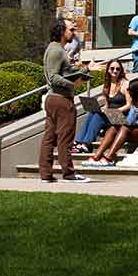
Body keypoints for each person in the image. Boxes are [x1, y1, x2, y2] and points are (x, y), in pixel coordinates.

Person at [39, 18, 91, 183]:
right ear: (61, 31)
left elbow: (65, 72)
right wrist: (73, 85)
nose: (73, 33)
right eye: (71, 30)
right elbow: (54, 77)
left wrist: (86, 69)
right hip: (61, 100)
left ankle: (46, 175)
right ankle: (68, 174)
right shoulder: (56, 51)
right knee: (65, 138)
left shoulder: (55, 49)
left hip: (54, 99)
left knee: (49, 137)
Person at [84, 78, 138, 166]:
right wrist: (136, 108)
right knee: (114, 127)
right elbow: (129, 120)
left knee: (125, 128)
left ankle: (109, 157)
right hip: (135, 129)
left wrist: (133, 123)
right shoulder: (135, 101)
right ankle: (96, 157)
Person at [72, 59, 131, 154]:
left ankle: (86, 144)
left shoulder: (125, 84)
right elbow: (107, 105)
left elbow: (129, 105)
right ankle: (78, 141)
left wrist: (115, 111)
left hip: (121, 117)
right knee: (93, 112)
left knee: (98, 116)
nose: (115, 71)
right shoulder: (107, 85)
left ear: (121, 71)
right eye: (112, 68)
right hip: (110, 116)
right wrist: (104, 109)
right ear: (108, 70)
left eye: (118, 69)